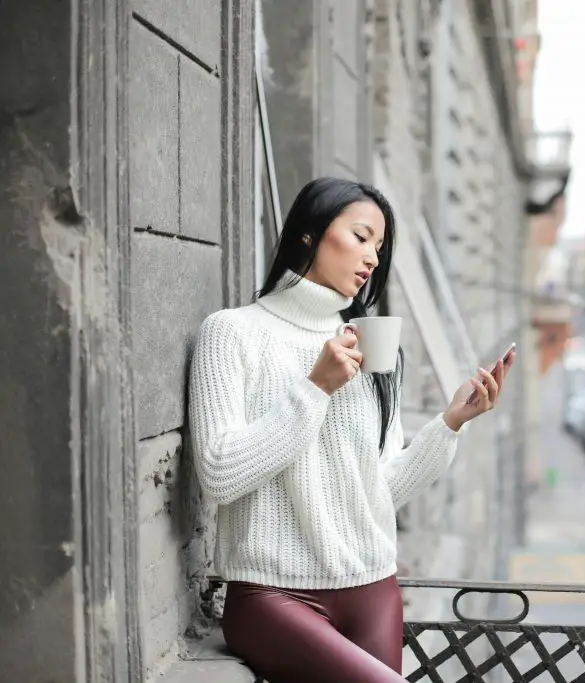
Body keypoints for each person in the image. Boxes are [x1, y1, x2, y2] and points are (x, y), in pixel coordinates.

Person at [188, 178, 514, 683]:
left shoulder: (372, 347)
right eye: (361, 237)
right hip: (272, 595)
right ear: (309, 234)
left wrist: (451, 423)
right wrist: (315, 388)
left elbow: (379, 489)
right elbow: (219, 474)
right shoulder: (232, 333)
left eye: (380, 247)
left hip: (373, 588)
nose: (372, 259)